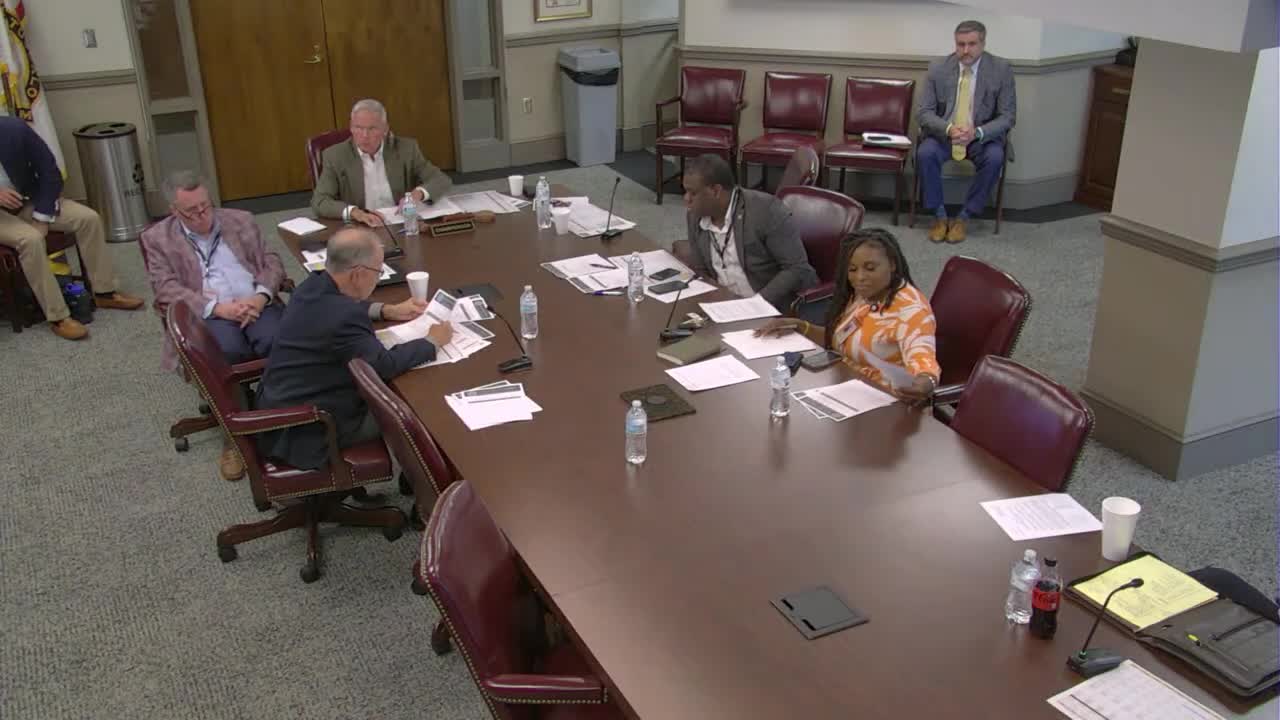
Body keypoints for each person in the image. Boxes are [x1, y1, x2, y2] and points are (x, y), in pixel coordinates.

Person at [256, 227, 453, 471]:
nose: (378, 278)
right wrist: (432, 341)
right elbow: (383, 365)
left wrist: (386, 310)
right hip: (311, 427)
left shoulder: (313, 284)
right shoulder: (344, 317)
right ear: (358, 274)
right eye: (378, 272)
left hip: (281, 403)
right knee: (418, 410)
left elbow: (338, 307)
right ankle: (422, 481)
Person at [142, 170, 288, 481]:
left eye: (206, 206)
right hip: (209, 313)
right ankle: (234, 437)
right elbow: (165, 289)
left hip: (255, 302)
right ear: (174, 210)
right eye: (192, 212)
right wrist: (218, 308)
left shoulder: (240, 220)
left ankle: (283, 421)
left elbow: (271, 260)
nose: (203, 216)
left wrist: (261, 296)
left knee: (279, 342)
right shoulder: (158, 239)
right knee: (227, 354)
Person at [0, 116, 143, 339]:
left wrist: (42, 217)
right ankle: (58, 316)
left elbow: (49, 171)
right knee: (30, 239)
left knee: (89, 219)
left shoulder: (13, 129)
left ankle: (105, 292)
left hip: (27, 200)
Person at [755, 228, 939, 402]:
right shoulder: (865, 294)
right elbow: (839, 339)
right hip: (848, 389)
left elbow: (923, 360)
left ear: (892, 264)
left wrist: (925, 383)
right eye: (852, 269)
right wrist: (800, 326)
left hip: (888, 403)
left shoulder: (911, 311)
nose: (860, 277)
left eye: (870, 268)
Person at [915, 20, 1015, 244]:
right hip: (945, 135)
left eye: (971, 44)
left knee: (995, 157)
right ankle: (940, 216)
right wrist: (949, 129)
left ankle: (964, 217)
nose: (965, 50)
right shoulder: (938, 68)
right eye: (960, 44)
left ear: (983, 44)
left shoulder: (1001, 70)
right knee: (925, 153)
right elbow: (924, 112)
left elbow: (1008, 116)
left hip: (981, 137)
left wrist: (977, 132)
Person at [680, 153, 817, 311]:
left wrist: (754, 305)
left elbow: (797, 268)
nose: (686, 199)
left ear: (716, 191)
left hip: (771, 307)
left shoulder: (766, 210)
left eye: (693, 193)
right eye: (685, 192)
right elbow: (701, 270)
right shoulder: (695, 216)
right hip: (726, 306)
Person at [311, 98, 453, 228]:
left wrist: (417, 194)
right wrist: (355, 213)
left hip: (401, 222)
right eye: (359, 128)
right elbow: (320, 201)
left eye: (372, 128)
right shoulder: (335, 156)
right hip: (361, 226)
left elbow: (441, 179)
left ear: (385, 129)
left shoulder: (406, 149)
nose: (365, 135)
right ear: (351, 127)